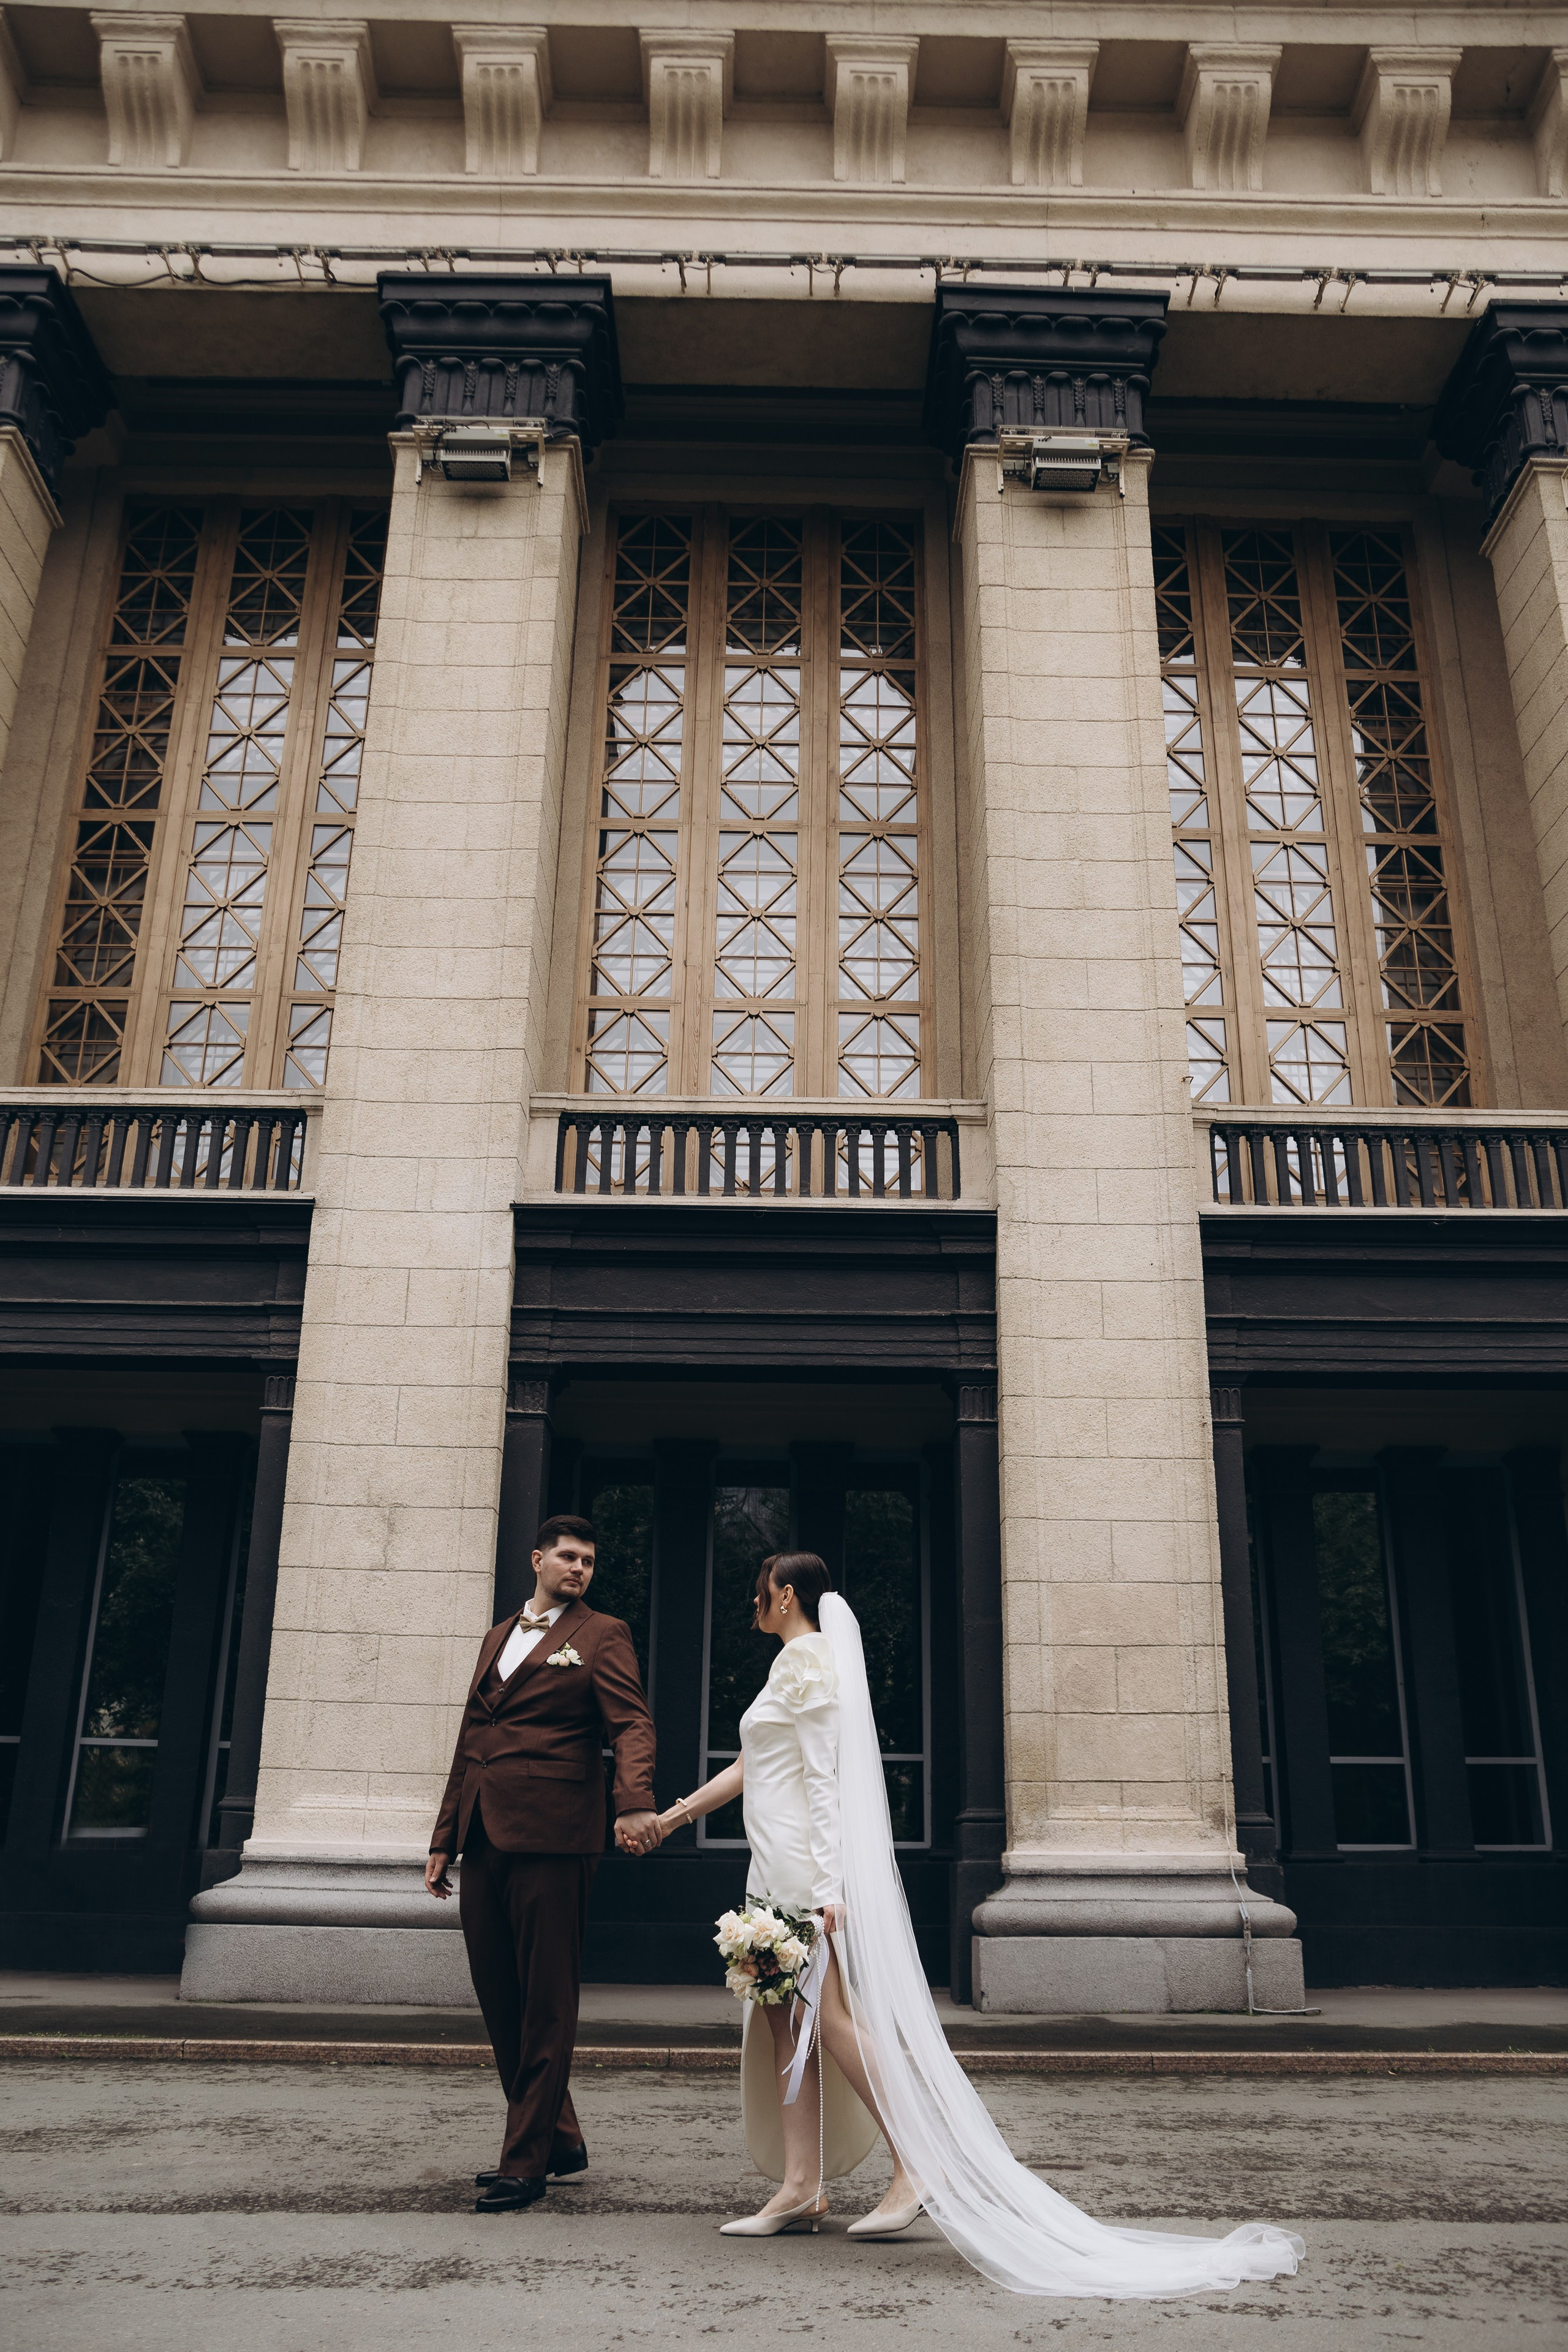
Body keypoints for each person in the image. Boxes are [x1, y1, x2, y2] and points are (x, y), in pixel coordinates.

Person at [654, 1552, 1306, 2299]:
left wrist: (830, 1886)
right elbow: (752, 1763)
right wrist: (674, 1817)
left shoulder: (807, 1663)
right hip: (768, 1871)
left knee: (827, 2022)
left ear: (786, 1594)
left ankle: (917, 2162)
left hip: (804, 1874)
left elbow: (827, 1779)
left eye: (759, 1595)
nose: (753, 1607)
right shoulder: (788, 1667)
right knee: (781, 2025)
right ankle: (801, 2187)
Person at [426, 1513, 661, 2216]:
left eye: (588, 1561)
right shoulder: (498, 1636)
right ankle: (558, 2138)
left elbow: (631, 1724)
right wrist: (443, 1838)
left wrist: (633, 1802)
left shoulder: (602, 1634)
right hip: (483, 1834)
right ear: (537, 1559)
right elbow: (474, 1736)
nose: (579, 1569)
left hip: (558, 1837)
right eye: (567, 1557)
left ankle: (523, 2162)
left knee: (547, 2006)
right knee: (501, 1998)